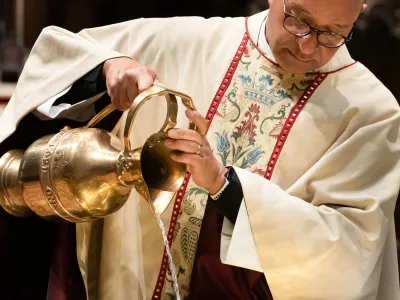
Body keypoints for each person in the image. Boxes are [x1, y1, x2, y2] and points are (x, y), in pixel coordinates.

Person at [0, 0, 399, 299]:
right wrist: (109, 68)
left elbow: (348, 256)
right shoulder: (192, 40)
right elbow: (58, 57)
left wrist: (226, 187)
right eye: (298, 20)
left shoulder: (370, 112)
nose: (309, 47)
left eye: (332, 33)